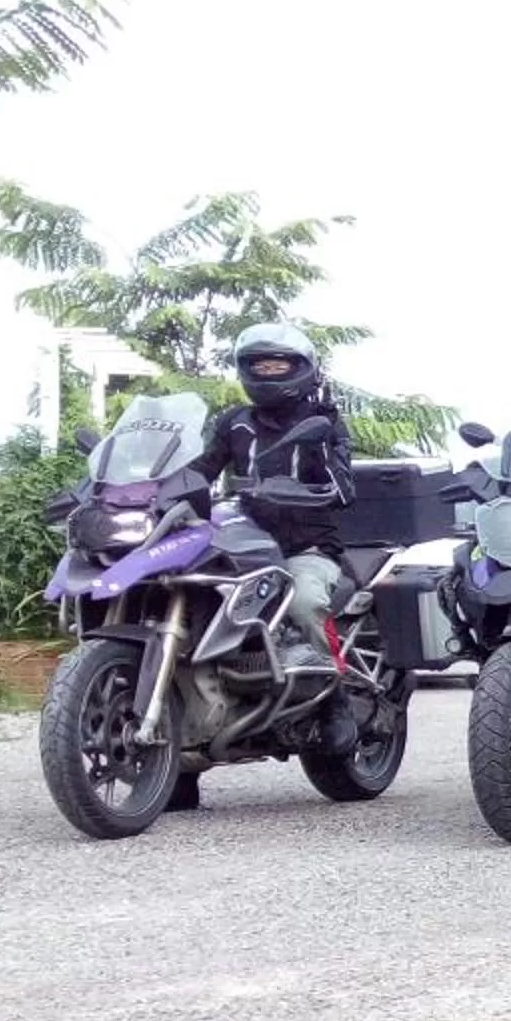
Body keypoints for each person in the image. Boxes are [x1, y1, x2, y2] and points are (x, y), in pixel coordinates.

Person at [192, 321, 361, 753]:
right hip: (242, 545)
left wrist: (320, 455)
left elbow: (344, 491)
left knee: (304, 602)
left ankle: (333, 700)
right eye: (259, 365)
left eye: (278, 363)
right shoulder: (235, 423)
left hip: (307, 546)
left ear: (301, 369)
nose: (268, 372)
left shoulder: (322, 423)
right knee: (195, 604)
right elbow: (199, 472)